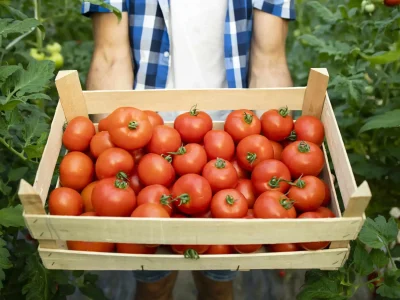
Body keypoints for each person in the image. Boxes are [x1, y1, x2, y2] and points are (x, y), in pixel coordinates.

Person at [81, 1, 295, 299]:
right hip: (145, 144)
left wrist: (270, 156)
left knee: (218, 282)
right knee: (153, 283)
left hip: (229, 145)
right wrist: (110, 154)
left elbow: (268, 61)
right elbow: (110, 57)